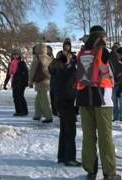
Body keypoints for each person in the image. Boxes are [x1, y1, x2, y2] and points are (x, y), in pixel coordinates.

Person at [76, 25, 121, 180]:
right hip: (101, 98)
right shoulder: (104, 52)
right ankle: (109, 173)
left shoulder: (82, 52)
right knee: (105, 137)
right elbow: (117, 72)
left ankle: (90, 170)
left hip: (83, 97)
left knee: (88, 136)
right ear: (102, 37)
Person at [49, 38, 81, 166]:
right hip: (67, 101)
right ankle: (69, 158)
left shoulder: (57, 69)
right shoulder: (66, 70)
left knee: (64, 130)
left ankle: (62, 156)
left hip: (61, 101)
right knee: (70, 130)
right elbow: (72, 85)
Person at [29, 42, 53, 123]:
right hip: (47, 80)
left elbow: (32, 71)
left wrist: (30, 81)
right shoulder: (48, 58)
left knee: (43, 99)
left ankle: (48, 116)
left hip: (39, 81)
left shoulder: (36, 58)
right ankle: (37, 114)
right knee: (39, 98)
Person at [3, 49, 29, 116]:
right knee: (15, 97)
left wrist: (26, 82)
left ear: (19, 55)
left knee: (20, 97)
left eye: (16, 55)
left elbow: (26, 73)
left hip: (21, 82)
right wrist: (5, 83)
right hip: (14, 82)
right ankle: (18, 111)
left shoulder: (22, 63)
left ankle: (24, 111)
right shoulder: (11, 63)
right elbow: (8, 74)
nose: (15, 56)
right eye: (14, 55)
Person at [109, 43, 122, 122]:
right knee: (114, 100)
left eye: (117, 48)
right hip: (112, 81)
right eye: (114, 48)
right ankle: (115, 116)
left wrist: (121, 73)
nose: (116, 50)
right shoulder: (109, 57)